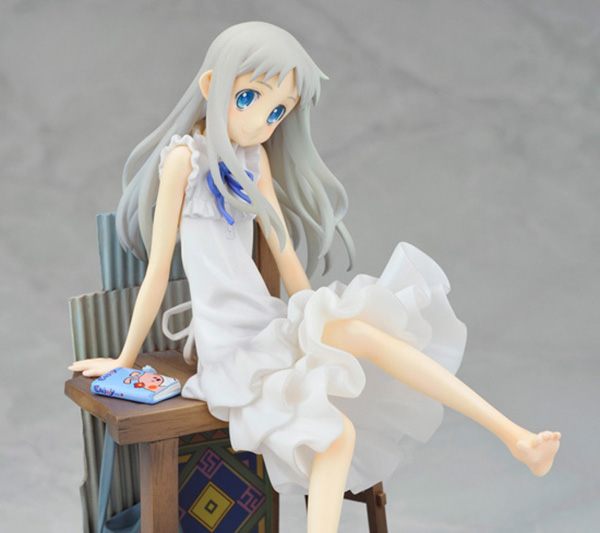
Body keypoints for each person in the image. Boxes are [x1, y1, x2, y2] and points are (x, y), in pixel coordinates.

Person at [69, 21, 561, 532]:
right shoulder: (183, 161)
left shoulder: (254, 158)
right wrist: (123, 360)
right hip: (230, 349)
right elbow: (156, 273)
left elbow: (283, 250)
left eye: (277, 112)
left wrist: (314, 318)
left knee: (362, 331)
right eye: (248, 99)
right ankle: (513, 439)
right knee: (337, 436)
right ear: (212, 87)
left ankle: (516, 438)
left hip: (268, 322)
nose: (263, 122)